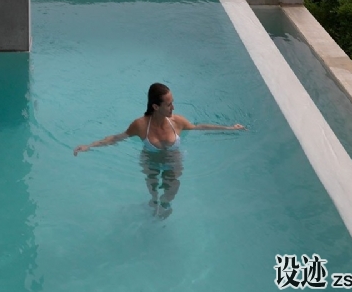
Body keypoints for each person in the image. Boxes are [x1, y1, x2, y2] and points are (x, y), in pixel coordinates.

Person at [73, 82, 245, 215]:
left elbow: (199, 127)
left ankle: (165, 204)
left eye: (172, 103)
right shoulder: (140, 125)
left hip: (173, 160)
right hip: (150, 160)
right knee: (153, 190)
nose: (173, 107)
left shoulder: (177, 121)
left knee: (170, 190)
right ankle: (154, 203)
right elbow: (117, 138)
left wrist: (230, 128)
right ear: (155, 107)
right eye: (169, 104)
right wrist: (90, 146)